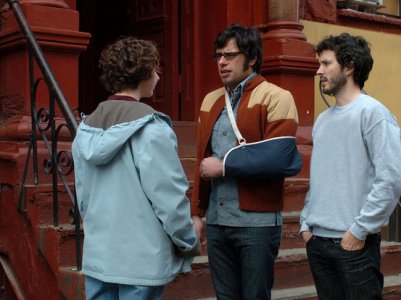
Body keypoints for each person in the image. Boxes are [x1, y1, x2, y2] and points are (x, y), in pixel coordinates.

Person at [72, 36, 200, 300]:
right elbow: (169, 199)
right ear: (143, 74)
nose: (158, 75)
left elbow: (83, 198)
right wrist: (188, 241)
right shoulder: (153, 130)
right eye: (155, 68)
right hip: (141, 261)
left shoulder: (85, 131)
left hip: (100, 257)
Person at [190, 24, 301, 300]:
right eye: (218, 56)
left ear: (251, 58)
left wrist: (225, 166)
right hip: (216, 220)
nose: (221, 62)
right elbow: (202, 162)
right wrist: (197, 214)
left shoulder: (277, 97)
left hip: (258, 223)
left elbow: (279, 158)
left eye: (229, 55)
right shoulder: (210, 101)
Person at [299, 32, 401, 300]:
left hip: (354, 244)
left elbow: (392, 179)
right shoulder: (323, 120)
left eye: (326, 64)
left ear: (349, 68)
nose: (318, 71)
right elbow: (321, 178)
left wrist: (358, 231)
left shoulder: (373, 114)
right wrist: (305, 224)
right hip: (318, 242)